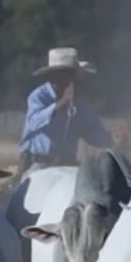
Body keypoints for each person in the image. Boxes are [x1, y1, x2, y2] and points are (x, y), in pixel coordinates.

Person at [19, 47, 110, 176]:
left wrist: (111, 139)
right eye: (66, 73)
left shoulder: (79, 106)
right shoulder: (39, 96)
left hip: (68, 165)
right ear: (54, 75)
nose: (72, 78)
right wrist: (62, 103)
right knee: (23, 192)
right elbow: (34, 122)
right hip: (38, 163)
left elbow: (92, 134)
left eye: (73, 73)